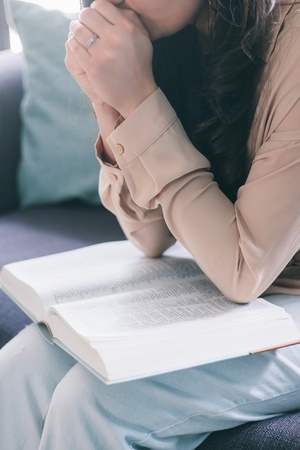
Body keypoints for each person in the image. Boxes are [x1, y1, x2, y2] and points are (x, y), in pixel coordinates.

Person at [0, 0, 300, 448]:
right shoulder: (178, 37)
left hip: (281, 301)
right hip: (241, 291)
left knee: (94, 404)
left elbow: (243, 270)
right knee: (21, 368)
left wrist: (139, 100)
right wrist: (109, 103)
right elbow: (150, 235)